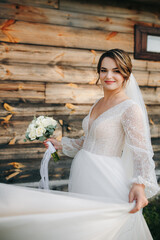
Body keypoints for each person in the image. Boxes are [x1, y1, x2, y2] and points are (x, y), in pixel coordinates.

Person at [0, 49, 159, 240]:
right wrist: (60, 145)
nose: (109, 76)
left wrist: (139, 185)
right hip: (84, 172)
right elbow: (89, 141)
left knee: (102, 228)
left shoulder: (130, 108)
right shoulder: (98, 103)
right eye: (103, 70)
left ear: (126, 73)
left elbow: (141, 151)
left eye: (116, 70)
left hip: (106, 175)